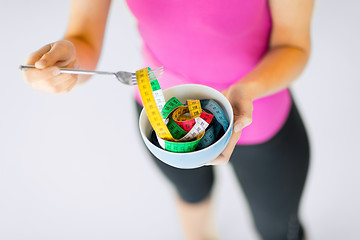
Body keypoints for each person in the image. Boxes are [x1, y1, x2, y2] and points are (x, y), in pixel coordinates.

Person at [23, 0, 314, 239]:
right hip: (160, 118)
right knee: (191, 195)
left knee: (278, 229)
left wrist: (245, 89)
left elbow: (293, 45)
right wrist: (66, 67)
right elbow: (84, 38)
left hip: (258, 111)